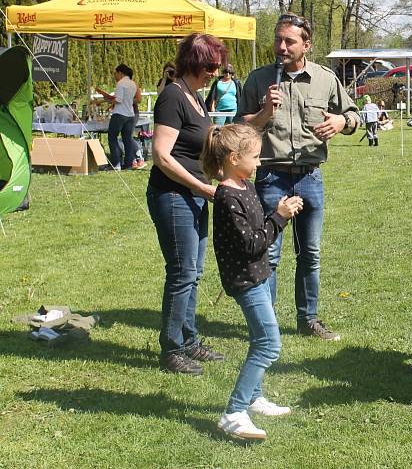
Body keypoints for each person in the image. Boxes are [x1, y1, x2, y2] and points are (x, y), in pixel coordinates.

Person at [235, 13, 360, 341]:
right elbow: (238, 129)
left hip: (309, 178)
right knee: (269, 254)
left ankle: (308, 320)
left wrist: (340, 123)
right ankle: (268, 323)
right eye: (278, 39)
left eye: (289, 41)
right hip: (270, 177)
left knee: (310, 254)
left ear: (307, 45)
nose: (281, 46)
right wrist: (264, 112)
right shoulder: (259, 80)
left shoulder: (325, 79)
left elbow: (355, 115)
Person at [201, 123, 302, 440]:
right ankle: (234, 412)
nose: (259, 163)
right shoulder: (229, 197)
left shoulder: (246, 186)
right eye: (255, 157)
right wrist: (281, 216)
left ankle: (254, 397)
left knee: (262, 337)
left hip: (259, 275)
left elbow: (257, 231)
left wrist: (276, 213)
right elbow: (253, 243)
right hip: (246, 280)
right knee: (269, 344)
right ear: (233, 157)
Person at [147, 33, 228, 375]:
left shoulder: (195, 97)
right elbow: (162, 156)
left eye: (218, 66)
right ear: (195, 62)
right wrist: (201, 187)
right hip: (173, 196)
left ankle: (190, 341)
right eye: (211, 65)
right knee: (181, 273)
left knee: (193, 274)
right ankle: (172, 349)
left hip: (196, 196)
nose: (216, 72)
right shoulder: (172, 97)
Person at [95, 63, 139, 170]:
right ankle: (128, 164)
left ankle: (116, 164)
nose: (114, 76)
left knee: (112, 138)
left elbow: (118, 99)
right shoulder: (133, 84)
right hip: (130, 115)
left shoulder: (121, 83)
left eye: (115, 73)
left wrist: (104, 100)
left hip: (119, 114)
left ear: (120, 73)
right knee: (127, 139)